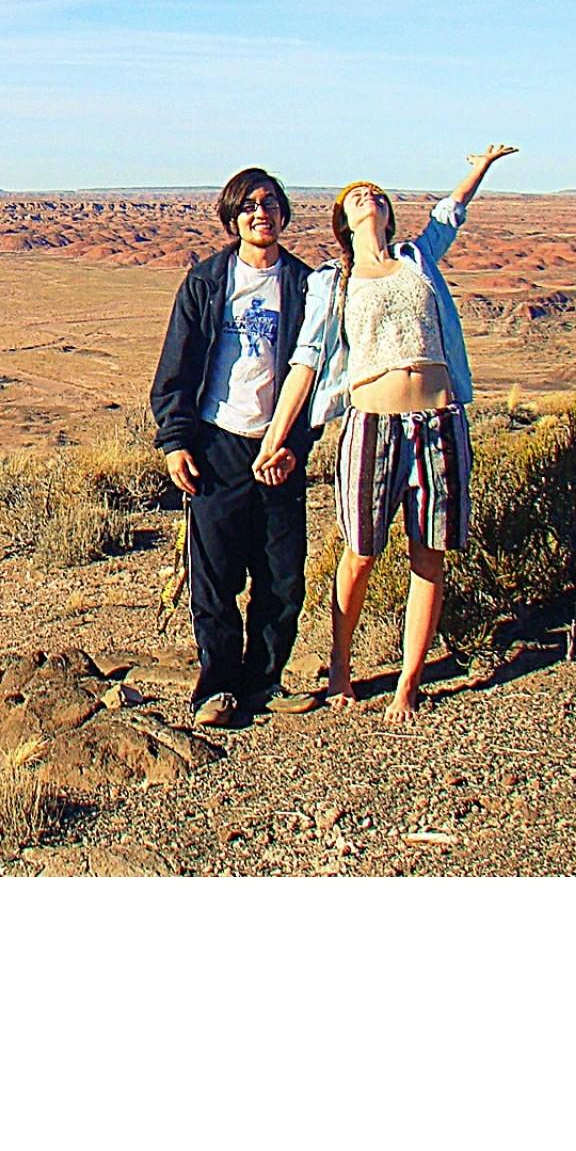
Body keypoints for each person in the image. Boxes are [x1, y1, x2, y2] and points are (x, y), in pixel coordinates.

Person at [254, 145, 517, 722]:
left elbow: (451, 213)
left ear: (389, 214)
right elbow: (306, 359)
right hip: (373, 425)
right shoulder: (336, 281)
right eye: (355, 197)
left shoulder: (418, 259)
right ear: (343, 222)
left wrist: (480, 166)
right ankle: (341, 667)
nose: (368, 199)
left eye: (376, 195)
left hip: (441, 421)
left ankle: (409, 682)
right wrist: (277, 435)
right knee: (361, 552)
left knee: (431, 552)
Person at [150, 167, 325, 729]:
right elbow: (175, 368)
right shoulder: (206, 282)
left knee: (281, 573)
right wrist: (177, 441)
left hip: (278, 448)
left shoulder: (303, 285)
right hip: (218, 442)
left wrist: (295, 444)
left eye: (270, 203)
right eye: (248, 205)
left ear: (284, 213)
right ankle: (216, 687)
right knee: (216, 575)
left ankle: (265, 682)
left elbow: (320, 375)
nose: (260, 213)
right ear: (232, 217)